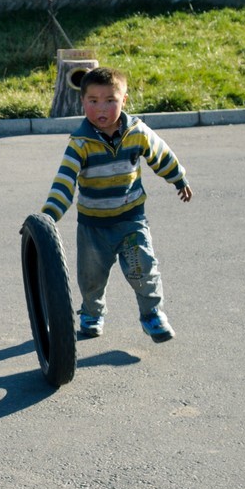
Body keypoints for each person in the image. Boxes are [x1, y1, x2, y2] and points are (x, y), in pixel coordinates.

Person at [41, 67, 192, 341]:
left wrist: (178, 178)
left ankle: (152, 315)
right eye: (94, 101)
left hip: (130, 220)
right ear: (83, 102)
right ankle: (92, 313)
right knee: (91, 278)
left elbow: (161, 154)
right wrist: (49, 215)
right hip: (93, 227)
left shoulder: (137, 132)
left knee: (143, 269)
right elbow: (64, 180)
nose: (102, 108)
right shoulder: (80, 143)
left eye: (110, 100)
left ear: (124, 100)